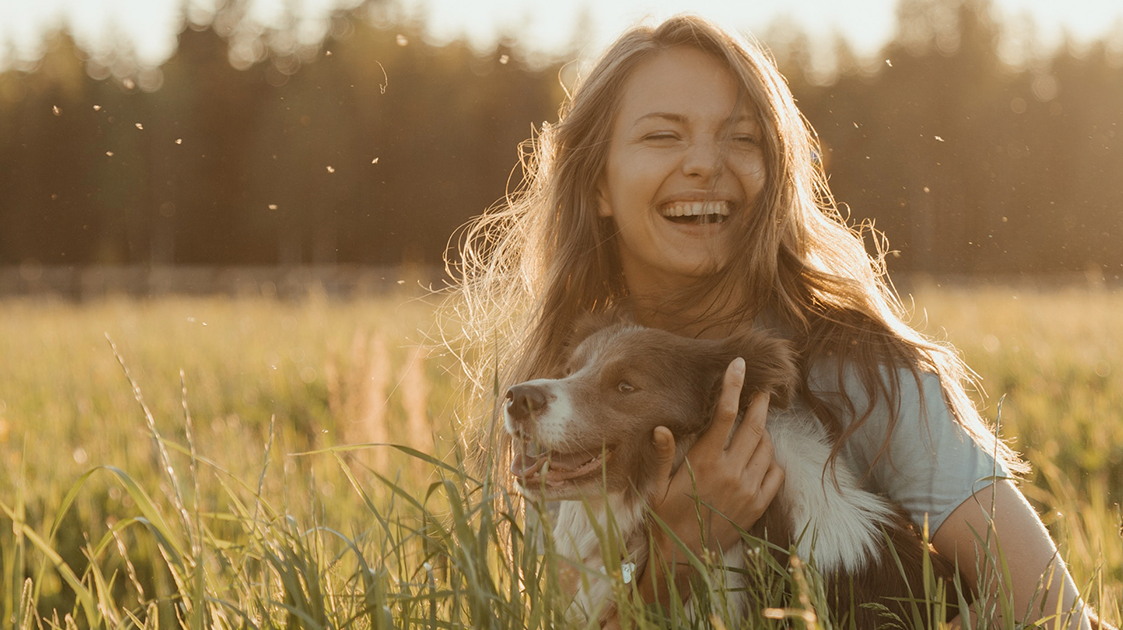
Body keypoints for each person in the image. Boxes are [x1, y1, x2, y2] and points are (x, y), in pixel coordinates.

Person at [447, 14, 1102, 629]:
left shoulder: (862, 370)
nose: (705, 162)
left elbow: (1058, 614)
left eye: (742, 137)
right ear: (596, 181)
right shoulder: (558, 396)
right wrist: (680, 550)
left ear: (776, 173)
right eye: (663, 134)